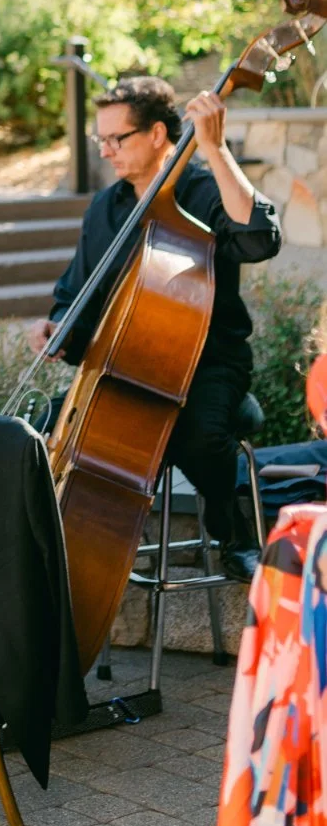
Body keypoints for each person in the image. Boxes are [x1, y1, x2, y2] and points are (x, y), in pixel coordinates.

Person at [29, 74, 281, 582]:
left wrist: (214, 149)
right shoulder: (107, 207)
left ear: (158, 135)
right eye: (100, 139)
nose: (105, 151)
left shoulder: (204, 190)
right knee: (41, 435)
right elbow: (77, 291)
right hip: (127, 367)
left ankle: (235, 535)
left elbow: (258, 240)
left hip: (208, 361)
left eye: (116, 139)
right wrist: (58, 327)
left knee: (199, 437)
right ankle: (71, 559)